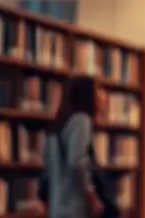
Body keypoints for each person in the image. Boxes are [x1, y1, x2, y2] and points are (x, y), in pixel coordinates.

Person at [43, 75, 104, 218]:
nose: (101, 96)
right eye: (97, 91)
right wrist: (92, 196)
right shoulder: (81, 120)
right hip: (75, 207)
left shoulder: (58, 126)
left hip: (57, 208)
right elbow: (77, 162)